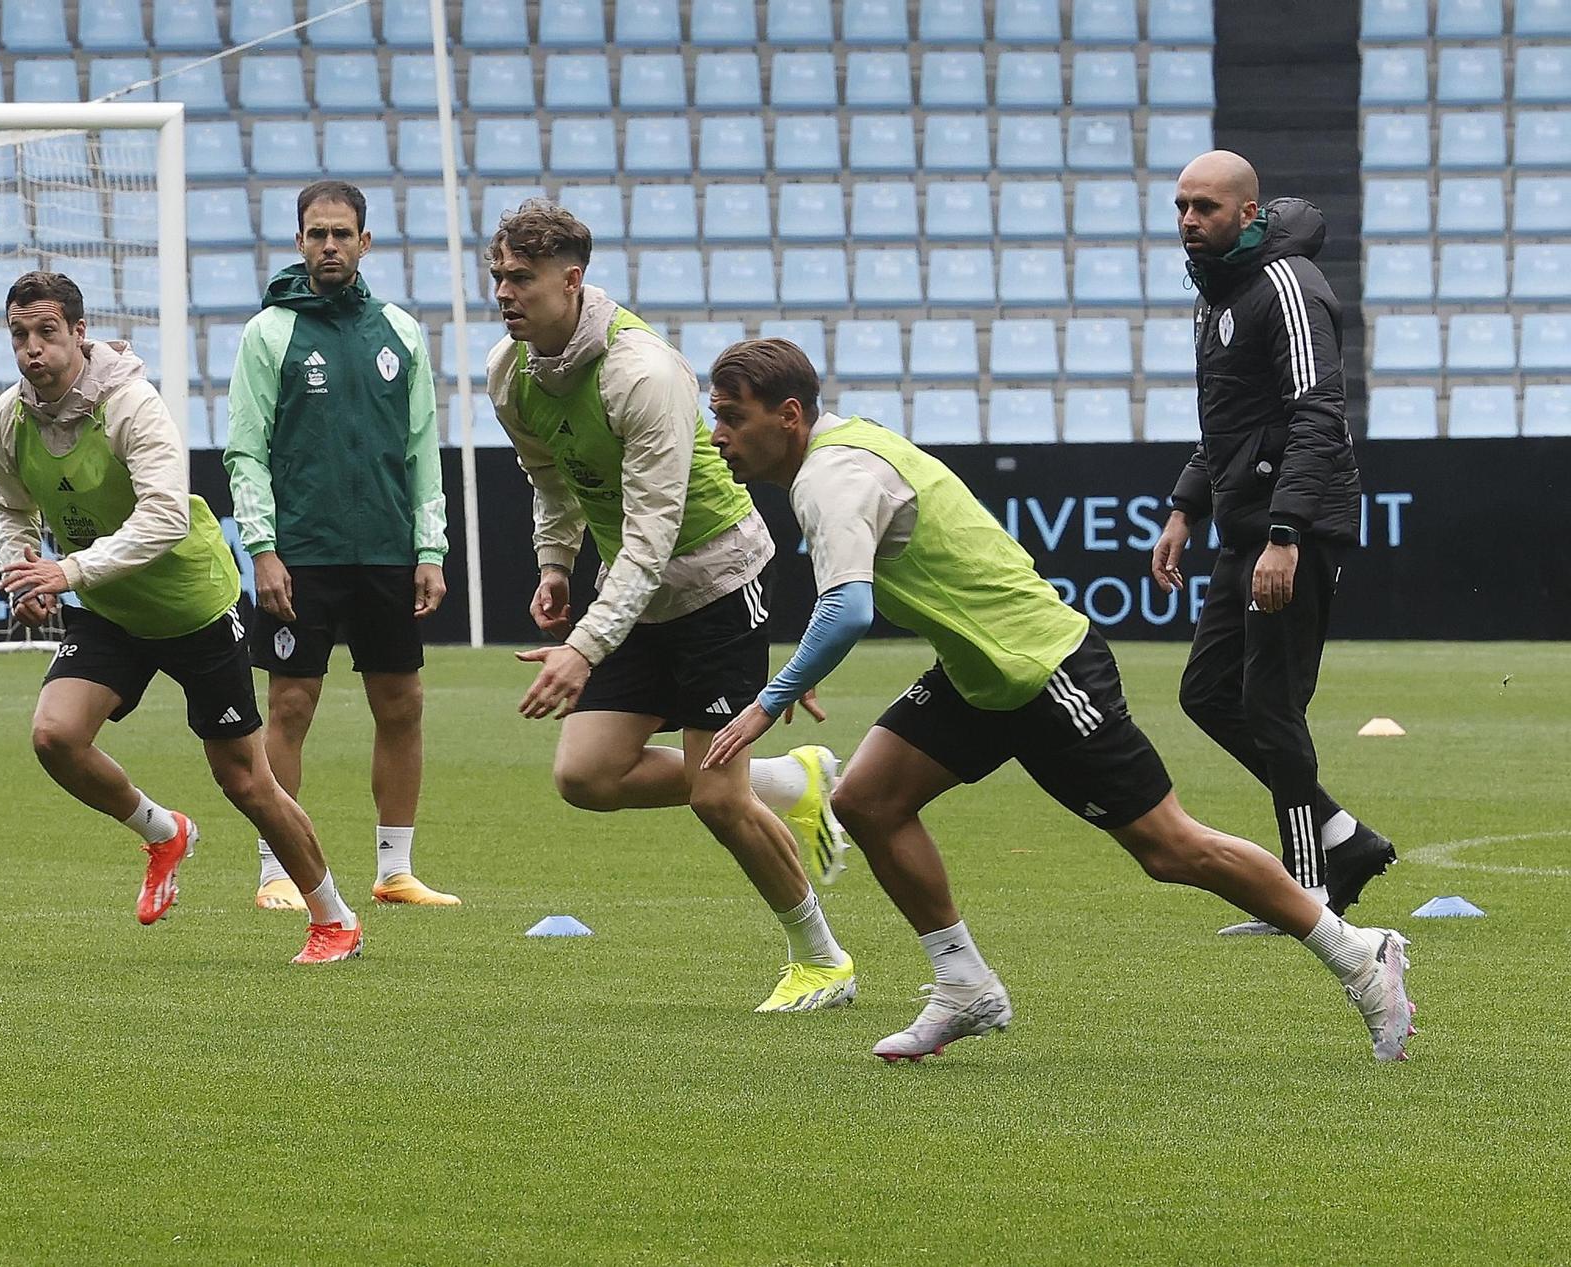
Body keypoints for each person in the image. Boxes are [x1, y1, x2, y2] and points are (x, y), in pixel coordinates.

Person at [701, 337, 1416, 1062]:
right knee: (867, 800)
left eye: (731, 416)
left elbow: (849, 610)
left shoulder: (831, 474)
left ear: (788, 415)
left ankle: (1360, 955)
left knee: (1171, 847)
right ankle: (964, 985)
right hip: (983, 671)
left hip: (1043, 669)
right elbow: (845, 598)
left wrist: (768, 701)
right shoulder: (840, 452)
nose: (718, 434)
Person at [484, 200, 856, 1014]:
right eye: (498, 277)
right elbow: (552, 477)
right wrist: (555, 561)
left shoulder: (642, 373)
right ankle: (793, 781)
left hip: (719, 582)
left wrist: (583, 645)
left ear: (571, 279)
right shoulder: (510, 372)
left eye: (522, 278)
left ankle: (823, 960)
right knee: (585, 775)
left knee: (715, 796)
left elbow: (653, 533)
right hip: (637, 591)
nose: (505, 293)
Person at [0, 270, 362, 964]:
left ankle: (334, 918)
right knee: (54, 735)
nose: (32, 348)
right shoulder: (9, 417)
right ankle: (163, 832)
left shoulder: (132, 405)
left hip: (191, 607)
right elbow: (10, 504)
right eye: (19, 334)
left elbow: (163, 517)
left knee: (246, 781)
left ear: (79, 331)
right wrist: (22, 567)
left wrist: (64, 570)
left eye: (46, 331)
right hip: (109, 608)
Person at [1152, 150, 1396, 937]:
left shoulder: (1285, 287)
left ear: (1249, 212)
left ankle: (1311, 890)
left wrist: (1287, 535)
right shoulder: (1217, 288)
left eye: (1207, 208)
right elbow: (1230, 422)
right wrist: (1185, 509)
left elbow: (1318, 415)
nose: (1190, 220)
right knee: (1206, 693)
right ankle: (1341, 838)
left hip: (1296, 525)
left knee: (1270, 702)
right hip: (1244, 525)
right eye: (1182, 205)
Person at [225, 180, 459, 912]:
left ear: (365, 242)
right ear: (298, 242)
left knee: (402, 701)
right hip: (304, 551)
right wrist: (261, 546)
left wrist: (431, 549)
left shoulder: (400, 331)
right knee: (291, 705)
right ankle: (276, 873)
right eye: (316, 233)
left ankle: (395, 870)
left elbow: (422, 449)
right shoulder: (269, 333)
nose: (329, 245)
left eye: (342, 233)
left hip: (388, 549)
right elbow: (246, 451)